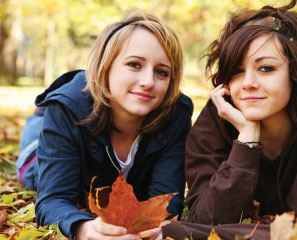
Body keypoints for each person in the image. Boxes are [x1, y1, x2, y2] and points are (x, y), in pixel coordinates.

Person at [160, 0, 297, 239]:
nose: (248, 83)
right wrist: (246, 140)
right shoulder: (217, 116)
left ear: (296, 72)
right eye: (237, 70)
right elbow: (207, 219)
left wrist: (177, 233)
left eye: (265, 68)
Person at [16, 10, 193, 240]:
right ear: (106, 66)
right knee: (31, 156)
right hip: (47, 143)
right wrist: (85, 229)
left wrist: (156, 227)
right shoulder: (68, 109)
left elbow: (167, 197)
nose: (148, 82)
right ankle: (40, 116)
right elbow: (53, 200)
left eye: (161, 72)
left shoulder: (176, 115)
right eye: (134, 64)